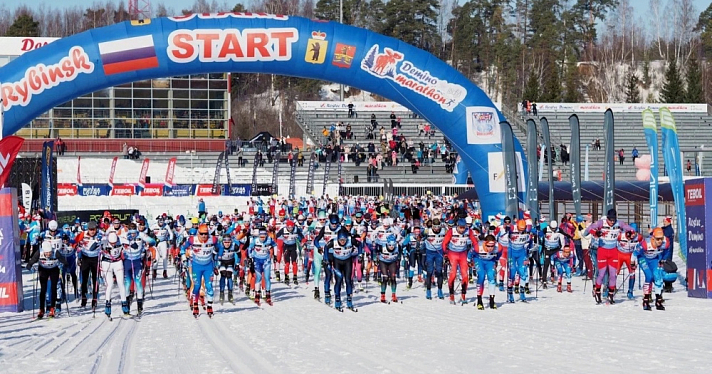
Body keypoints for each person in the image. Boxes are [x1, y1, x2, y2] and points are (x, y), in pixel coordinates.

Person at [584, 209, 634, 304]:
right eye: (610, 219)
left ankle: (611, 294)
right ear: (607, 218)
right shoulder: (601, 223)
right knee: (602, 273)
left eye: (613, 220)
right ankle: (597, 292)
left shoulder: (619, 223)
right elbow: (587, 230)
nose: (612, 222)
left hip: (613, 251)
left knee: (613, 275)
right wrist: (595, 233)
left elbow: (631, 229)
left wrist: (630, 233)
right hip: (602, 251)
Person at [181, 224, 223, 317]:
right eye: (202, 234)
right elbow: (182, 248)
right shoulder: (192, 239)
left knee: (209, 286)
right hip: (196, 267)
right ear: (198, 233)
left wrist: (218, 259)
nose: (204, 236)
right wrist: (184, 259)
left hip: (208, 267)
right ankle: (195, 304)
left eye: (206, 233)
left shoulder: (213, 239)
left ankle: (209, 306)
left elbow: (221, 247)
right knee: (197, 286)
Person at [27, 241, 68, 319]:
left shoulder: (56, 252)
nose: (49, 254)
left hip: (53, 269)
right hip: (43, 269)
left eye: (50, 252)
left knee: (53, 288)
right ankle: (41, 309)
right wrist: (31, 267)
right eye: (47, 253)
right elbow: (30, 263)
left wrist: (63, 265)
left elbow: (64, 261)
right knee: (43, 290)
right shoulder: (39, 252)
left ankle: (52, 308)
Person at [442, 218, 478, 304]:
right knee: (453, 274)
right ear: (457, 226)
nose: (462, 229)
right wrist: (445, 254)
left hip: (463, 254)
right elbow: (444, 243)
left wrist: (474, 253)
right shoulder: (451, 231)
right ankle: (451, 296)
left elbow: (475, 243)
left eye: (464, 227)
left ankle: (463, 295)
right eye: (461, 227)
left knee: (465, 275)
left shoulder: (469, 231)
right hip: (453, 254)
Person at [635, 227, 671, 310]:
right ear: (653, 238)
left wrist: (662, 260)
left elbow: (666, 251)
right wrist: (633, 263)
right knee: (649, 276)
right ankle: (646, 300)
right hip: (643, 258)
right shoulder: (646, 243)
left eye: (661, 239)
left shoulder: (666, 242)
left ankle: (658, 301)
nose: (660, 241)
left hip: (654, 258)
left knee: (658, 277)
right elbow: (635, 253)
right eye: (658, 239)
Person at [326, 231, 360, 311]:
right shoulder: (333, 241)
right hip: (337, 262)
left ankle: (349, 300)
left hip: (347, 262)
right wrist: (326, 259)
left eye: (344, 240)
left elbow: (360, 245)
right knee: (338, 280)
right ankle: (337, 299)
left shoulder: (350, 240)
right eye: (341, 240)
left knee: (348, 280)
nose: (342, 242)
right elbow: (326, 248)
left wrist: (360, 254)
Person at [75, 221, 102, 309]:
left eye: (93, 230)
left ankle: (94, 299)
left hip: (95, 259)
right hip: (85, 258)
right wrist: (79, 258)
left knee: (95, 280)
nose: (92, 231)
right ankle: (84, 298)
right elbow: (76, 244)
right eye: (90, 230)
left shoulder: (100, 234)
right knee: (84, 280)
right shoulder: (82, 234)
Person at [247, 227, 276, 306]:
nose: (262, 238)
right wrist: (250, 257)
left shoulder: (269, 239)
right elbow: (249, 248)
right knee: (258, 278)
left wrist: (275, 255)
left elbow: (275, 245)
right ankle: (257, 294)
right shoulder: (255, 240)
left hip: (266, 260)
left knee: (267, 277)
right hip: (257, 260)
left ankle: (268, 294)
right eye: (261, 237)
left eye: (264, 237)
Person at [506, 220, 532, 303]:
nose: (521, 231)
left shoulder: (527, 231)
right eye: (520, 229)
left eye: (523, 229)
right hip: (511, 253)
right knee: (512, 273)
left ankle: (522, 293)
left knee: (523, 273)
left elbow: (532, 239)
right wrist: (507, 228)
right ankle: (510, 293)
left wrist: (529, 252)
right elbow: (507, 229)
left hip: (521, 253)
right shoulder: (512, 229)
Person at [473, 235, 500, 310]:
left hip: (490, 261)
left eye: (492, 246)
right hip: (479, 260)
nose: (491, 248)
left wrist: (496, 260)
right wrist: (469, 261)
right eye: (488, 246)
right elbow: (471, 253)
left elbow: (499, 254)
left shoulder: (498, 247)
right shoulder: (478, 246)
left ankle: (492, 300)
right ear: (485, 243)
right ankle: (479, 300)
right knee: (481, 276)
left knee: (491, 277)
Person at [218, 234, 239, 304]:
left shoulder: (234, 246)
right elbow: (214, 255)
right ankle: (221, 293)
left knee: (229, 275)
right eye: (225, 242)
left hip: (230, 261)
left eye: (228, 242)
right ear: (223, 242)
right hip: (222, 262)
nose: (227, 244)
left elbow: (239, 254)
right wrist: (215, 265)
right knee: (223, 275)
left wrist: (237, 264)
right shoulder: (219, 246)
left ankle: (230, 293)